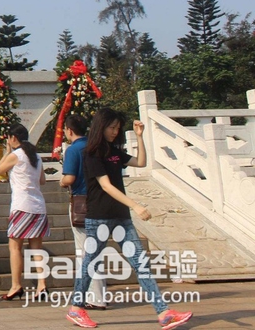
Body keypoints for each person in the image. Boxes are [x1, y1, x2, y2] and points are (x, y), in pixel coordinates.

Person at [65, 109, 192, 330]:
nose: (115, 132)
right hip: (100, 217)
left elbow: (141, 162)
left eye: (117, 128)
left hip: (121, 217)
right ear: (101, 126)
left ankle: (164, 313)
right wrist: (135, 204)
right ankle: (76, 309)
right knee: (90, 263)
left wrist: (140, 136)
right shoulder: (91, 153)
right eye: (111, 127)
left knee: (140, 263)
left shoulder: (114, 152)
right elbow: (105, 185)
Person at [56, 113, 106, 309]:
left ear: (69, 130)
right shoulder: (96, 147)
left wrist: (61, 182)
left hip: (82, 204)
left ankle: (94, 297)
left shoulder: (74, 150)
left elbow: (69, 178)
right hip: (101, 201)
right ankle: (99, 294)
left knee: (85, 251)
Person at [0, 123, 49, 301]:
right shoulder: (36, 156)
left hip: (21, 205)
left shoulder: (16, 155)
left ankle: (16, 285)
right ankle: (42, 285)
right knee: (36, 247)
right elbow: (42, 180)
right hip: (38, 206)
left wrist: (7, 151)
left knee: (15, 247)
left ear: (13, 138)